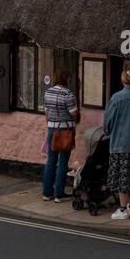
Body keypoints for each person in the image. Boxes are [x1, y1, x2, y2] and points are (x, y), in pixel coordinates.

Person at [103, 69, 130, 220]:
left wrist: (107, 130)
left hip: (121, 144)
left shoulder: (117, 98)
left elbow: (108, 122)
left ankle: (122, 209)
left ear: (123, 80)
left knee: (123, 177)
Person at [42, 71, 79, 202]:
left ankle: (47, 193)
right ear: (66, 79)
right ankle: (59, 194)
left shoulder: (48, 92)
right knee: (63, 161)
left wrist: (51, 123)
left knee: (51, 160)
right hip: (65, 130)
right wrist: (76, 117)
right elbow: (73, 112)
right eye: (69, 77)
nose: (70, 80)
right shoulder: (68, 94)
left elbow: (46, 112)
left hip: (52, 128)